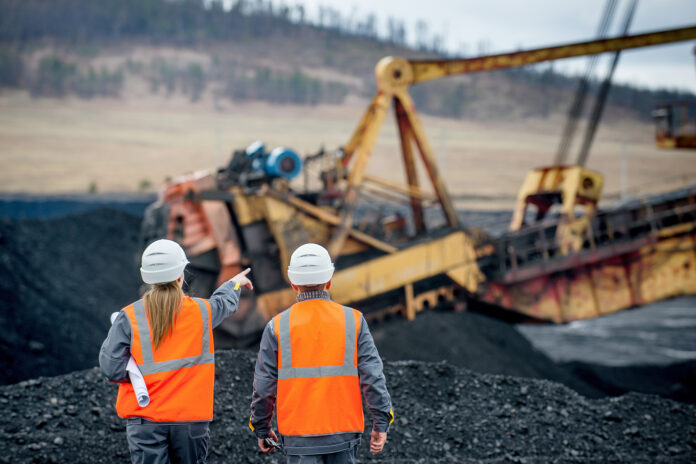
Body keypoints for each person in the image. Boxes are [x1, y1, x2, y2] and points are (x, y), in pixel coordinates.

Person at [99, 239, 253, 464]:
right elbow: (223, 303)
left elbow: (111, 368)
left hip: (145, 421)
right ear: (181, 276)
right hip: (190, 420)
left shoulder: (129, 317)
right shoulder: (202, 312)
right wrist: (234, 283)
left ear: (147, 277)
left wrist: (137, 375)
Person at [250, 243, 394, 463]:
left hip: (299, 438)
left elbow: (263, 385)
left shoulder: (277, 326)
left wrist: (262, 427)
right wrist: (381, 422)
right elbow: (372, 376)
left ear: (293, 284)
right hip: (344, 433)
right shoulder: (353, 320)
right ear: (329, 280)